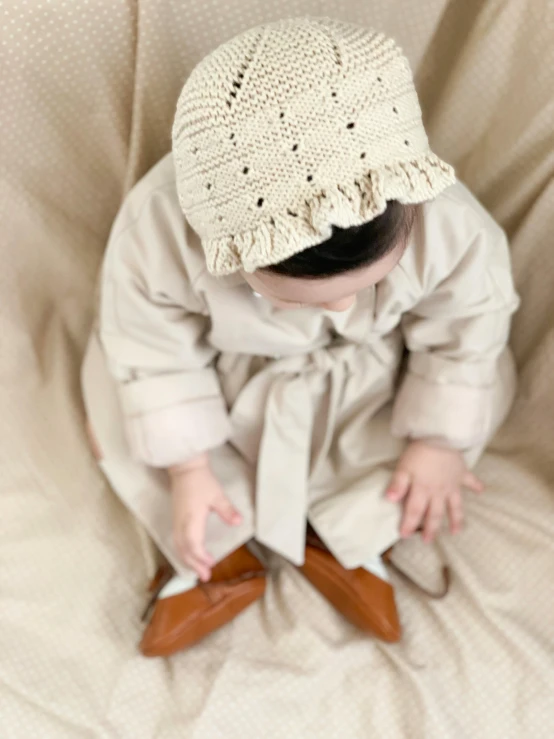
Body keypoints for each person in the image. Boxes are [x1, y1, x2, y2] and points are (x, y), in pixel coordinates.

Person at [81, 18, 519, 657]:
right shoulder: (159, 226)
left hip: (367, 373)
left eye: (367, 284)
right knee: (122, 400)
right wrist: (189, 467)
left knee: (451, 410)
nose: (341, 306)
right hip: (223, 373)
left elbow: (467, 326)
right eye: (287, 296)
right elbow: (150, 343)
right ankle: (219, 553)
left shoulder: (442, 220)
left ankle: (346, 536)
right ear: (230, 250)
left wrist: (437, 442)